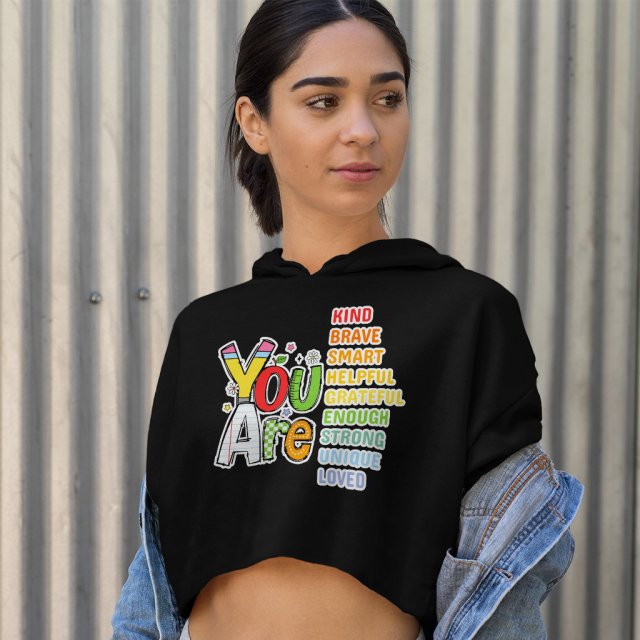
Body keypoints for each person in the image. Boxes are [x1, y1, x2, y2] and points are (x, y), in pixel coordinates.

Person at [111, 1, 583, 638]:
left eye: (387, 99)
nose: (363, 130)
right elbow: (154, 576)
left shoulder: (465, 316)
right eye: (324, 102)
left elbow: (507, 565)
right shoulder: (204, 331)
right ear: (255, 122)